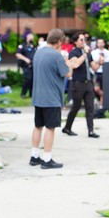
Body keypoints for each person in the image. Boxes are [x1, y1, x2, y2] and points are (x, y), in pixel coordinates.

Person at [30, 28, 73, 169]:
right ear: (59, 41)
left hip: (38, 96)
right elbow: (67, 73)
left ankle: (34, 156)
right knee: (50, 128)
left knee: (38, 126)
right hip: (51, 97)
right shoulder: (56, 55)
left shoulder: (38, 52)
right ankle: (47, 159)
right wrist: (68, 62)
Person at [62, 31, 103, 138]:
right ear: (75, 42)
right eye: (81, 40)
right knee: (76, 107)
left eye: (84, 40)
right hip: (77, 83)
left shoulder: (87, 53)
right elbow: (76, 65)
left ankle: (91, 131)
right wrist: (84, 54)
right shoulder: (73, 53)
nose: (84, 42)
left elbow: (94, 67)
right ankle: (67, 127)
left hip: (88, 83)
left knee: (90, 107)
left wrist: (99, 62)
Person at [90, 38, 109, 108]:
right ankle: (105, 98)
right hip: (97, 72)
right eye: (99, 43)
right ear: (97, 44)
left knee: (104, 88)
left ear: (104, 43)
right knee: (96, 88)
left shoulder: (107, 52)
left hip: (105, 72)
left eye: (101, 43)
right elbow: (92, 62)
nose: (100, 44)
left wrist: (103, 61)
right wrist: (99, 61)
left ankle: (101, 104)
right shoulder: (93, 52)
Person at [16, 32, 36, 98]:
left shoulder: (34, 46)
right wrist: (25, 59)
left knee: (33, 80)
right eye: (30, 39)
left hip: (34, 65)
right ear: (27, 39)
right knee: (28, 79)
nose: (31, 40)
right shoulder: (23, 46)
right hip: (26, 65)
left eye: (32, 39)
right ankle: (23, 93)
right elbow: (18, 54)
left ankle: (32, 94)